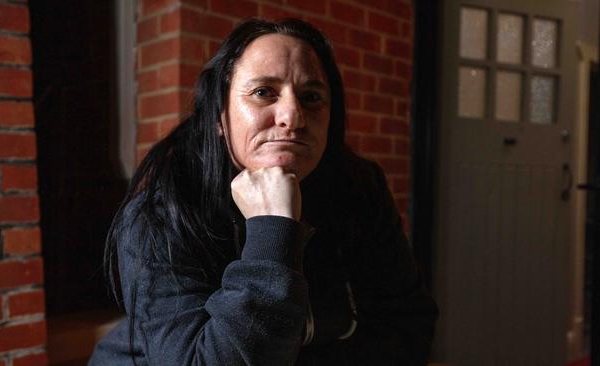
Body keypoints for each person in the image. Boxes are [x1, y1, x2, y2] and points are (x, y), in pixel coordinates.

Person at [89, 18, 438, 365]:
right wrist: (272, 230)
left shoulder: (360, 189)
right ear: (219, 116)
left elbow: (410, 327)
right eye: (263, 92)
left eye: (311, 96)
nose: (292, 115)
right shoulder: (164, 212)